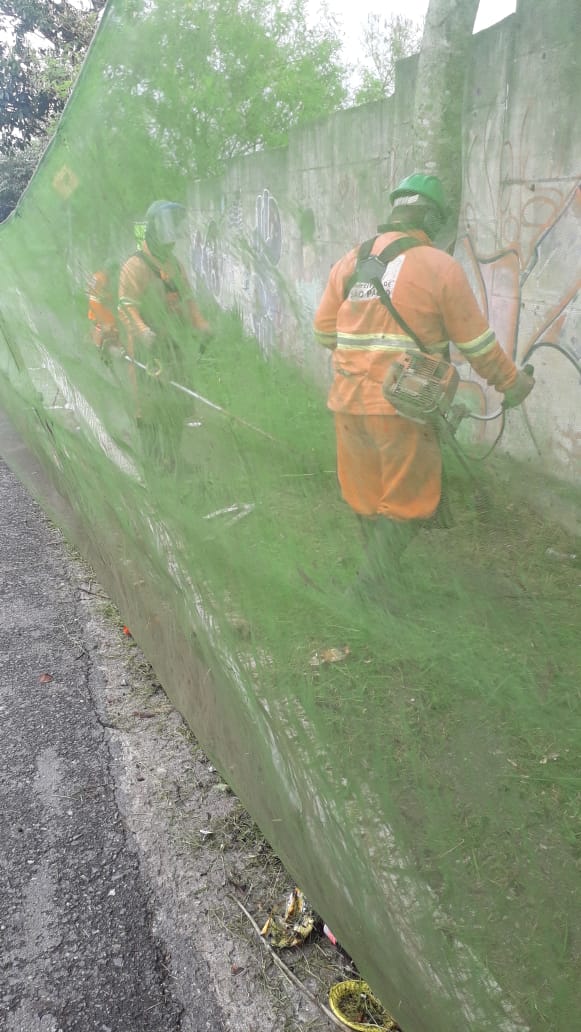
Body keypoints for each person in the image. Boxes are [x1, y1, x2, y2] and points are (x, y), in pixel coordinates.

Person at [313, 172, 534, 603]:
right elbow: (476, 344)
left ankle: (382, 588)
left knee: (367, 499)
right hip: (403, 409)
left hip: (347, 404)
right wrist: (512, 383)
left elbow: (324, 333)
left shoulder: (352, 261)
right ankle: (364, 594)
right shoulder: (439, 266)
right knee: (407, 504)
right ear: (431, 219)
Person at [118, 200, 211, 470]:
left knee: (176, 403)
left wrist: (200, 324)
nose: (174, 234)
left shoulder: (175, 265)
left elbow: (188, 300)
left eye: (176, 226)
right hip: (147, 351)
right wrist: (144, 332)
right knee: (148, 408)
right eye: (169, 226)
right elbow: (125, 306)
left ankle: (171, 456)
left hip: (174, 347)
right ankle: (152, 461)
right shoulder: (134, 267)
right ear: (155, 229)